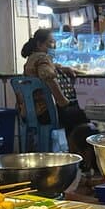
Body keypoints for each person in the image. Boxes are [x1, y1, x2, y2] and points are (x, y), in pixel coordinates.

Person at [20, 27, 96, 169]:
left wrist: (62, 68)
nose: (53, 46)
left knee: (72, 117)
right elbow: (47, 76)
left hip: (31, 112)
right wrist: (63, 101)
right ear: (39, 44)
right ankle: (81, 158)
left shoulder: (31, 59)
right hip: (45, 113)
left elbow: (49, 67)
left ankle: (74, 154)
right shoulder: (43, 58)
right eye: (50, 43)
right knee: (81, 117)